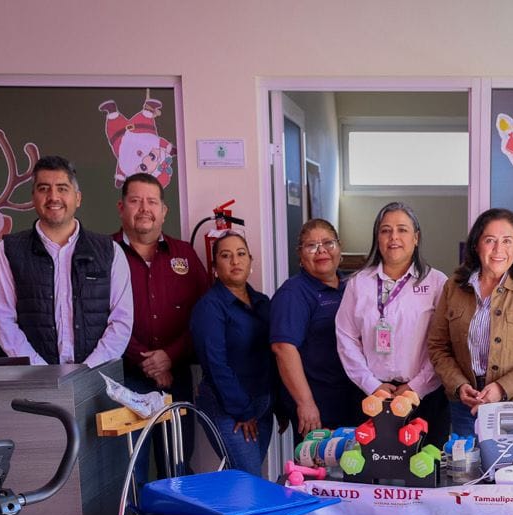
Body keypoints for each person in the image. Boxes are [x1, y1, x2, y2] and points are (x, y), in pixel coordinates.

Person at [0, 155, 133, 367]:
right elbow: (3, 320)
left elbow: (121, 321)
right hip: (34, 376)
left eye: (62, 188)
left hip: (96, 375)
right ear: (33, 198)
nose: (53, 197)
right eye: (43, 188)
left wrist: (88, 370)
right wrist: (40, 371)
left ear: (78, 198)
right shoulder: (8, 251)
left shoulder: (110, 251)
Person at [426, 208, 513, 437]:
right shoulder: (453, 288)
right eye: (490, 240)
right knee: (466, 461)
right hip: (466, 406)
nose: (499, 249)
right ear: (476, 245)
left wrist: (501, 388)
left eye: (507, 241)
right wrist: (459, 385)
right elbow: (438, 345)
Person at [113, 171, 209, 474]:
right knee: (130, 470)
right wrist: (146, 361)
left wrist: (169, 356)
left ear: (164, 211)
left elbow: (205, 315)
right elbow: (98, 317)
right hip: (124, 380)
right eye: (136, 200)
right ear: (121, 207)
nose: (145, 208)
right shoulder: (103, 253)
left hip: (176, 378)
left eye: (152, 202)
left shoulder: (185, 254)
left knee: (176, 466)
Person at [335, 202, 449, 442]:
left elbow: (444, 343)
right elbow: (346, 337)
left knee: (426, 463)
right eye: (386, 230)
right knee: (371, 464)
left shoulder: (437, 283)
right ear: (377, 238)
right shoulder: (359, 283)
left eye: (402, 230)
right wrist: (371, 384)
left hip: (424, 398)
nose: (393, 237)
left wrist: (416, 386)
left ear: (416, 238)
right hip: (372, 397)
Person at [191, 233, 274, 477]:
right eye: (226, 256)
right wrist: (243, 411)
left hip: (262, 404)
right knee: (248, 478)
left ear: (250, 260)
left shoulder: (262, 302)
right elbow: (216, 365)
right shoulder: (209, 307)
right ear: (215, 267)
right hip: (229, 407)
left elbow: (274, 354)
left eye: (241, 254)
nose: (235, 261)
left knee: (250, 479)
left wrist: (280, 404)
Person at [271, 219, 357, 435]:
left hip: (353, 401)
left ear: (339, 247)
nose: (321, 251)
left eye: (328, 243)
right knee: (323, 459)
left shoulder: (351, 286)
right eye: (311, 246)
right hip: (319, 407)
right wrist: (305, 403)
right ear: (300, 255)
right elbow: (283, 349)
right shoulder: (293, 293)